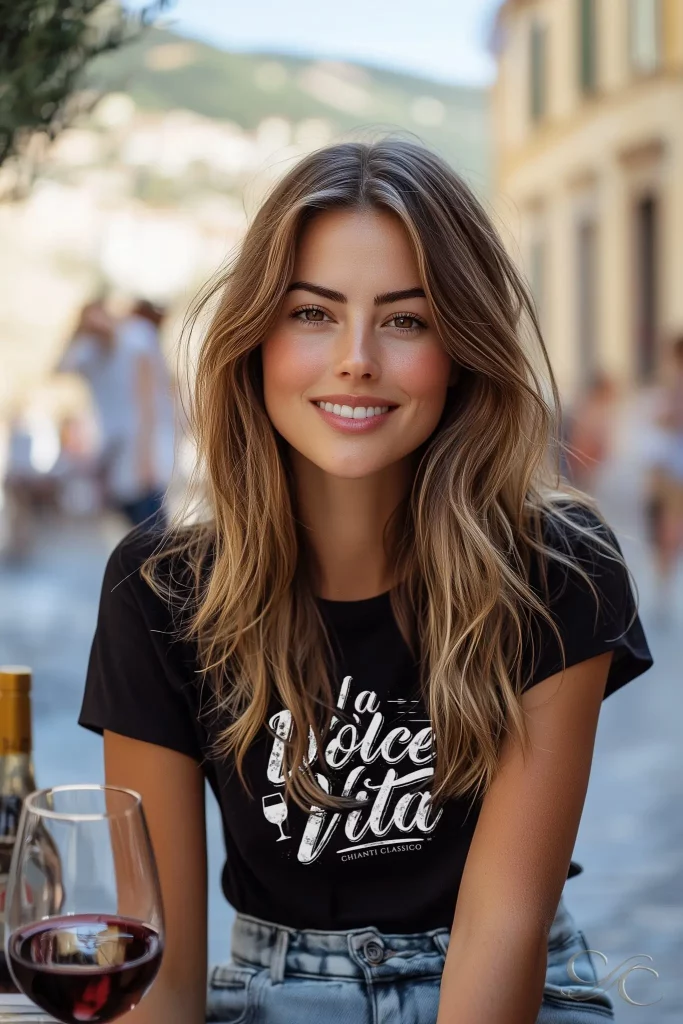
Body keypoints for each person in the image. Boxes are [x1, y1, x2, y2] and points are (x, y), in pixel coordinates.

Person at [78, 140, 654, 1024]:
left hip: (507, 987)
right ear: (257, 337)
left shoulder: (555, 568)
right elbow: (161, 976)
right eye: (312, 313)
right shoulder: (159, 589)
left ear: (459, 349)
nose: (355, 359)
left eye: (405, 319)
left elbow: (502, 922)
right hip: (267, 990)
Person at [54, 297, 175, 530]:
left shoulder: (136, 338)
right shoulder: (90, 350)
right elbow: (59, 368)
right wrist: (78, 332)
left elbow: (148, 402)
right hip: (112, 449)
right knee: (131, 524)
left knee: (152, 528)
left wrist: (145, 457)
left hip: (143, 447)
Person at [643, 335, 683, 622]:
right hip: (670, 466)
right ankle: (664, 588)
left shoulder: (673, 384)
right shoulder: (670, 383)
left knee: (667, 529)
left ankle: (664, 588)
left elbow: (667, 419)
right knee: (667, 529)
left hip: (672, 468)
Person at [562, 371, 618, 495]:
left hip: (584, 465)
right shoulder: (592, 412)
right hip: (581, 464)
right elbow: (583, 443)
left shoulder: (592, 409)